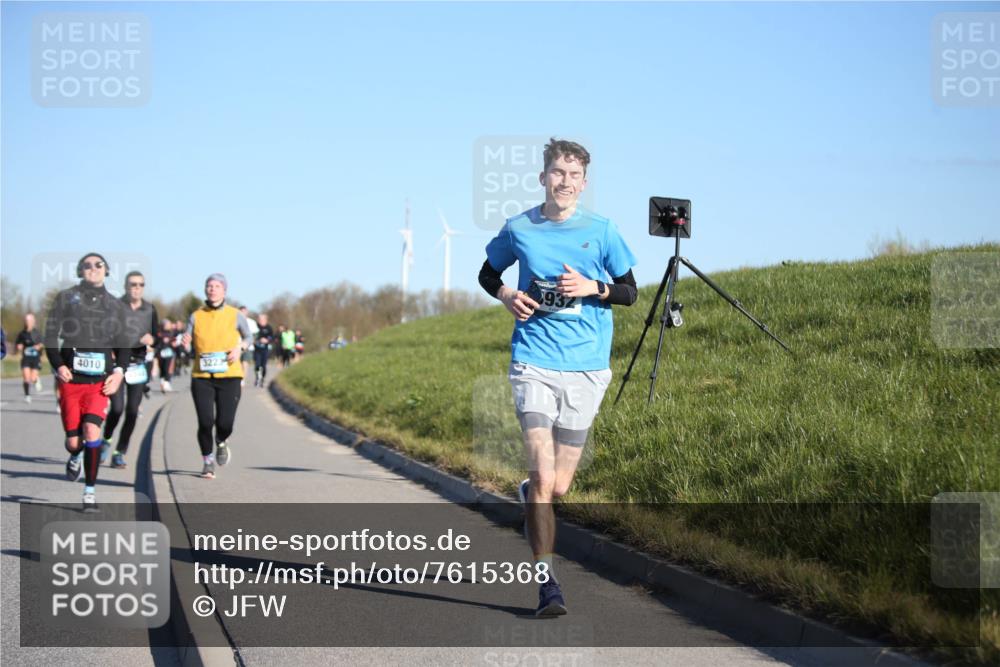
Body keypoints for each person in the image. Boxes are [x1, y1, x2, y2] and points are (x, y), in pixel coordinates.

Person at [478, 138, 638, 616]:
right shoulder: (519, 228)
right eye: (557, 173)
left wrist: (594, 287)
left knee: (559, 487)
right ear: (543, 176)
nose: (564, 182)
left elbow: (630, 291)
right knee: (543, 475)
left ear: (583, 184)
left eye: (573, 176)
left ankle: (532, 497)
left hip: (587, 366)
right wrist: (506, 293)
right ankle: (547, 584)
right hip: (533, 361)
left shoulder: (602, 231)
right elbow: (488, 273)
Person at [44, 252, 131, 511]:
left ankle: (90, 491)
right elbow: (50, 336)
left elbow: (125, 345)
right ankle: (75, 454)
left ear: (107, 271)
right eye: (87, 265)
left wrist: (118, 373)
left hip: (99, 383)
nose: (92, 268)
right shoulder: (66, 298)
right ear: (80, 271)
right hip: (71, 380)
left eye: (98, 265)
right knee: (73, 441)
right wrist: (58, 364)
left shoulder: (116, 306)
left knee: (92, 430)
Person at [183, 274, 252, 479]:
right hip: (202, 376)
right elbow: (188, 342)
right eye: (209, 286)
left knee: (225, 423)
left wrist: (240, 347)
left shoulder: (235, 314)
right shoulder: (196, 315)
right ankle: (207, 461)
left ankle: (221, 441)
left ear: (224, 291)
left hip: (230, 375)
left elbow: (248, 336)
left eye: (216, 286)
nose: (212, 289)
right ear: (205, 290)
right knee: (205, 422)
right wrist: (185, 342)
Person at [102, 271, 158, 469]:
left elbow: (156, 337)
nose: (136, 288)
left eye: (140, 284)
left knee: (133, 411)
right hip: (117, 365)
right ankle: (106, 439)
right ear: (126, 286)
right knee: (116, 409)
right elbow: (106, 333)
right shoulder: (115, 307)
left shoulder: (149, 310)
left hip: (137, 365)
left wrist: (152, 340)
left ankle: (120, 452)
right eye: (132, 284)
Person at [15, 313, 45, 402]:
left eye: (30, 320)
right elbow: (18, 344)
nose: (28, 322)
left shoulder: (37, 333)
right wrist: (19, 346)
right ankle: (27, 395)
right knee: (26, 377)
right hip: (26, 358)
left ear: (33, 321)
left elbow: (42, 344)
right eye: (27, 321)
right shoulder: (22, 334)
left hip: (35, 358)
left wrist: (39, 346)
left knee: (32, 378)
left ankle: (36, 380)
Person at [239, 306, 259, 385]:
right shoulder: (235, 320)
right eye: (241, 311)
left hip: (248, 346)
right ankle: (238, 377)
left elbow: (255, 334)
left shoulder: (251, 322)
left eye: (244, 311)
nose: (243, 313)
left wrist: (251, 342)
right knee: (238, 363)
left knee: (245, 362)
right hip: (237, 346)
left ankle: (243, 379)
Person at [253, 313, 274, 387]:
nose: (261, 321)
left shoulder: (269, 328)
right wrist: (257, 340)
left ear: (266, 320)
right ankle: (257, 378)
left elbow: (272, 337)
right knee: (257, 365)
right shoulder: (255, 327)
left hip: (265, 349)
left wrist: (267, 340)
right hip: (257, 349)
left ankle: (262, 379)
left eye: (262, 319)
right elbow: (251, 336)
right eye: (259, 319)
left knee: (264, 366)